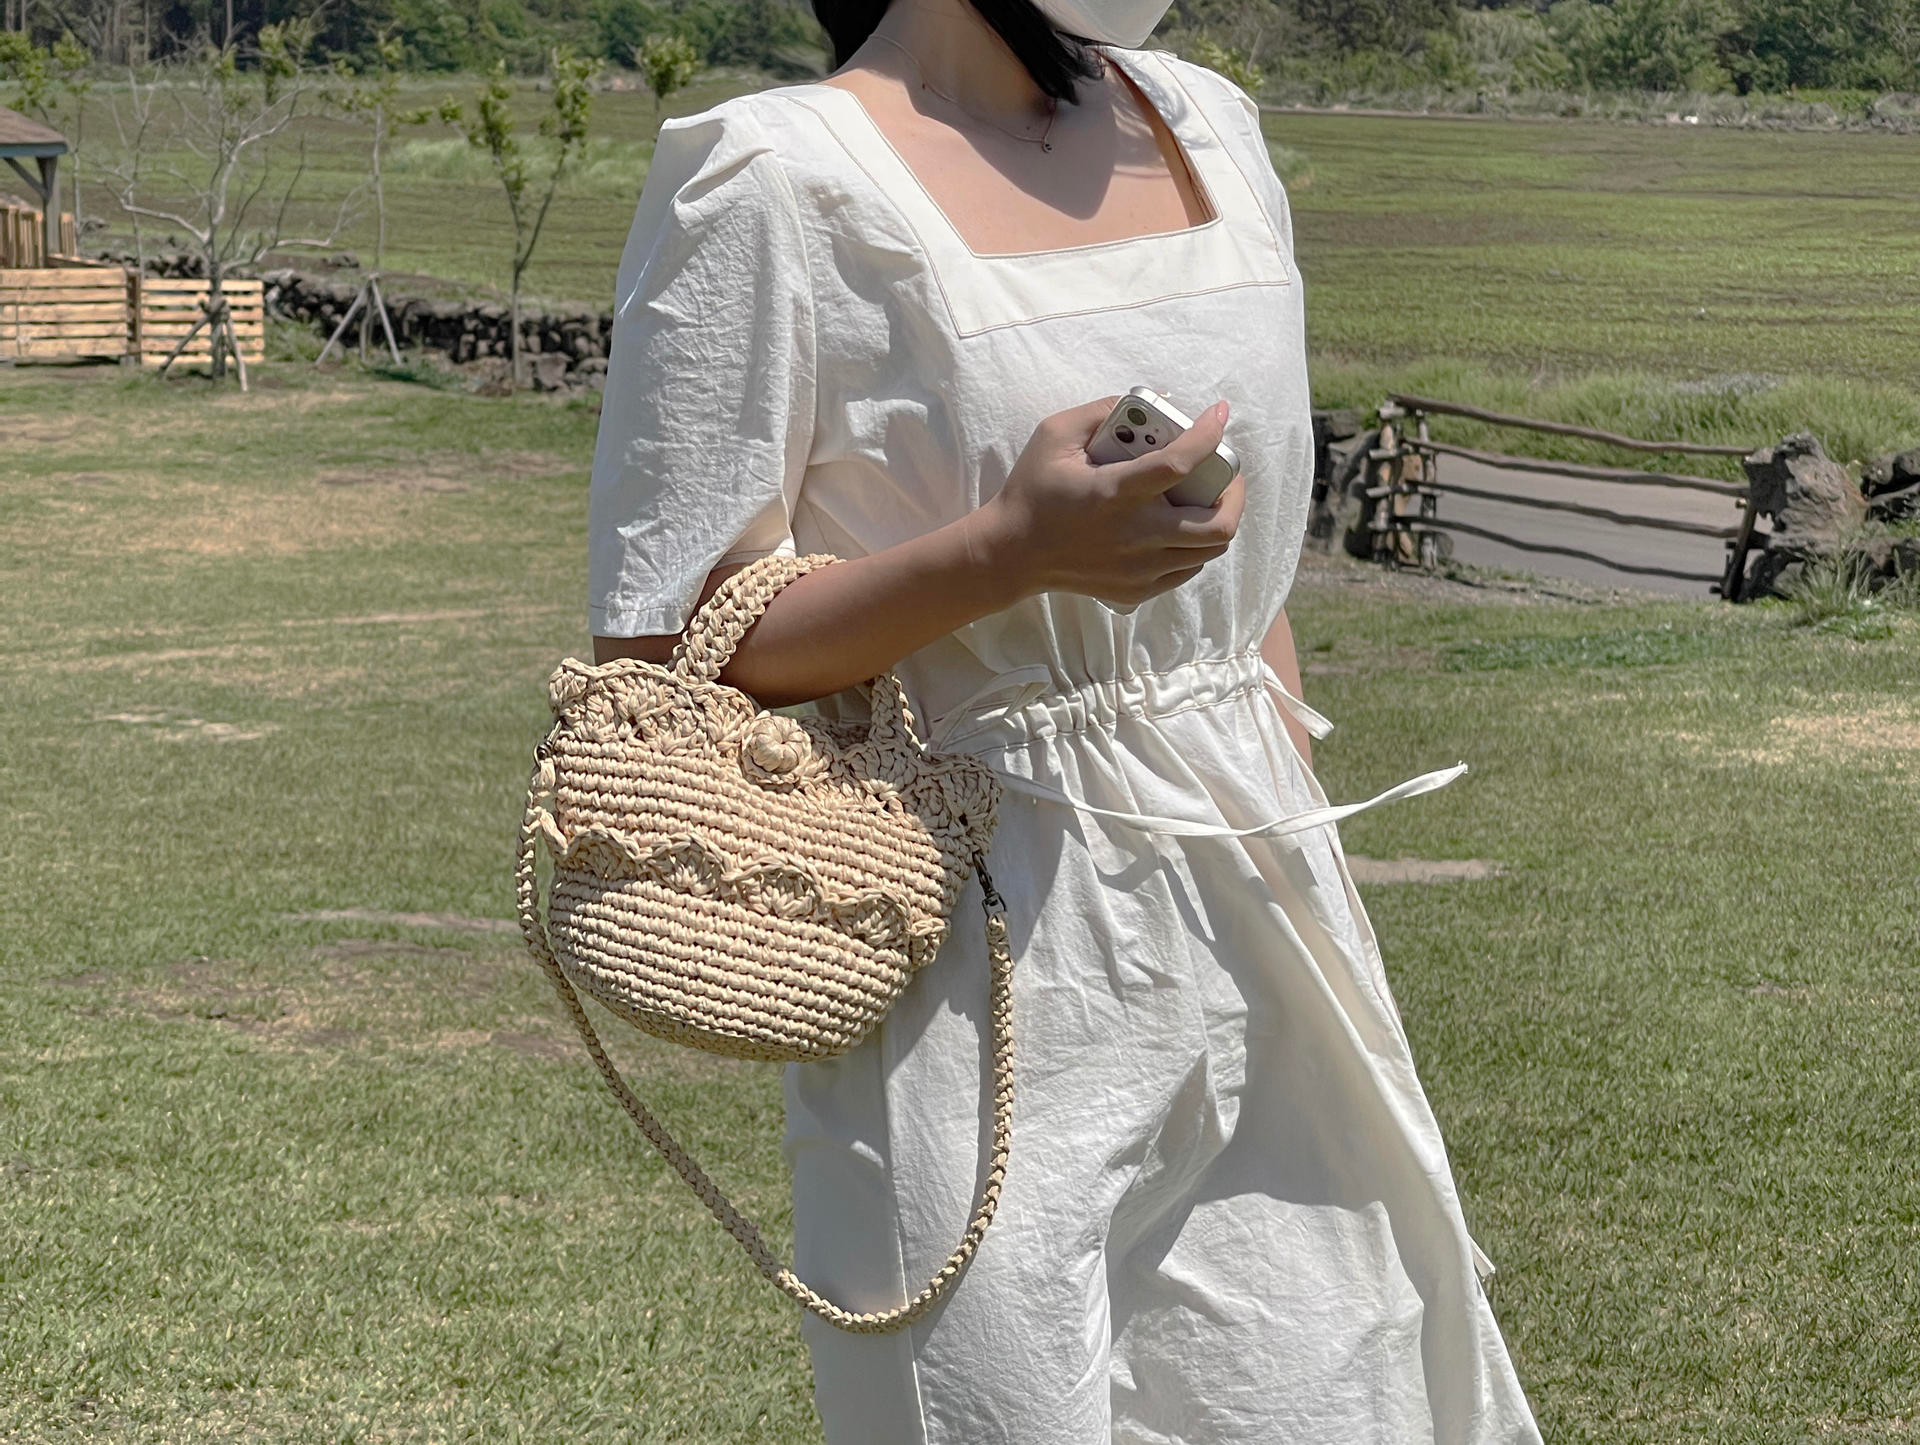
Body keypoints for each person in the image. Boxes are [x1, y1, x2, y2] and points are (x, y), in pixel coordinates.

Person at [586, 0, 1544, 1436]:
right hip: (965, 932)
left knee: (1328, 1386)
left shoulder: (1209, 125)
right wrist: (1008, 554)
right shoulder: (773, 177)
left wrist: (1293, 819)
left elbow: (1244, 582)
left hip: (1258, 893)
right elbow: (666, 648)